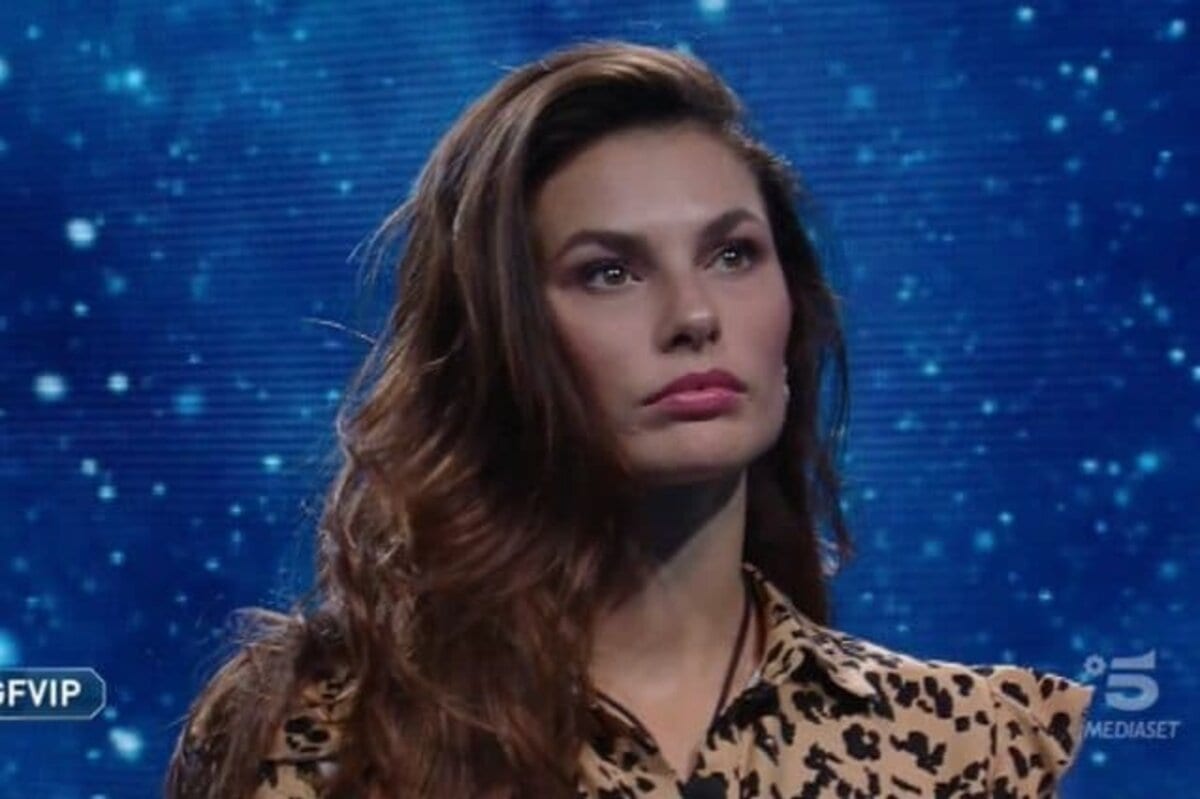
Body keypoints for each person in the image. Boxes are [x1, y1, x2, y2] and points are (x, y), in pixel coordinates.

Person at [164, 40, 1095, 798]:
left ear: (794, 308)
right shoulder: (318, 732)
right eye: (609, 272)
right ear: (501, 338)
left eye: (733, 254)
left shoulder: (976, 748)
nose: (694, 316)